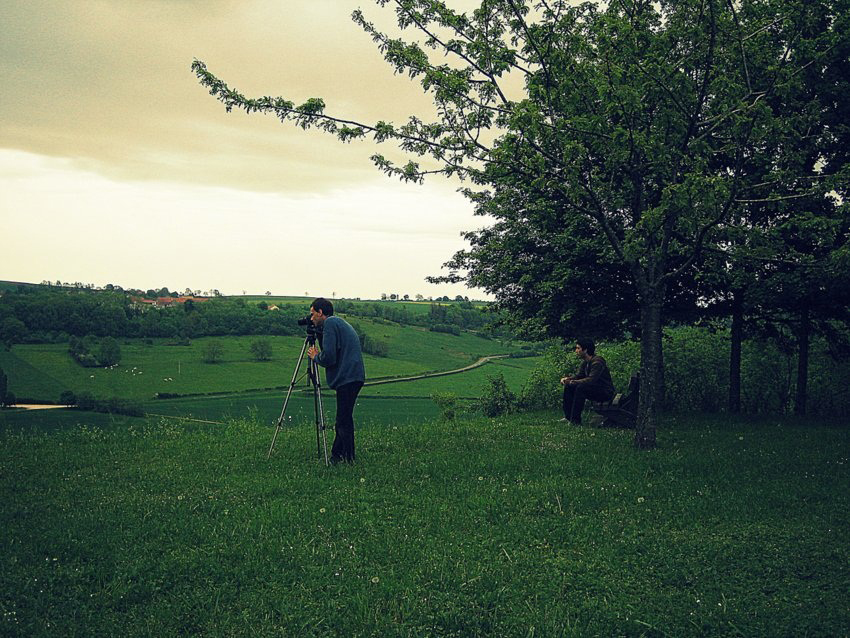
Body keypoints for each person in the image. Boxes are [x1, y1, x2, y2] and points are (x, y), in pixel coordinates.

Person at [306, 297, 365, 464]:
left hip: (347, 377)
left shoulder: (330, 324)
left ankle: (348, 458)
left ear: (320, 312)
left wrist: (316, 357)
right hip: (353, 375)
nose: (311, 319)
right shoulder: (339, 323)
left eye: (313, 314)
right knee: (344, 418)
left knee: (343, 420)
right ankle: (338, 456)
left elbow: (329, 357)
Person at [560, 337, 615, 425]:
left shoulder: (597, 362)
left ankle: (575, 420)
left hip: (605, 392)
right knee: (569, 387)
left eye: (578, 348)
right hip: (595, 390)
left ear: (585, 350)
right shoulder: (586, 362)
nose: (576, 351)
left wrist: (572, 382)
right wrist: (568, 379)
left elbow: (591, 380)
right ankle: (569, 417)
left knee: (581, 388)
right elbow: (579, 376)